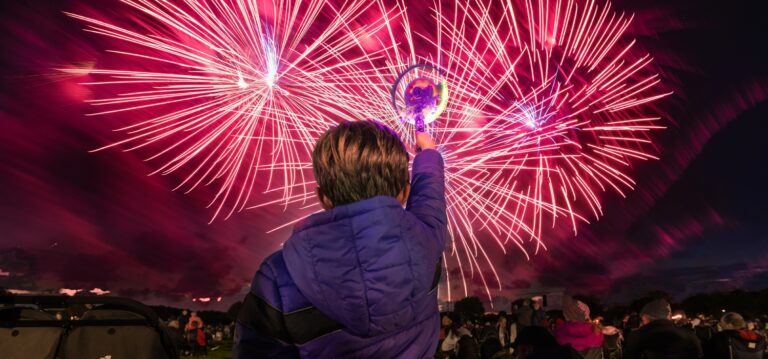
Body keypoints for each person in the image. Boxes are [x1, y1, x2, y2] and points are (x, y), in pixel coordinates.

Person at [234, 120, 447, 358]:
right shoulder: (427, 243)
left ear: (322, 198)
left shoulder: (278, 275)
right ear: (405, 192)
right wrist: (428, 154)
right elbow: (430, 199)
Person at [623, 299, 703, 359]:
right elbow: (698, 354)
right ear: (667, 316)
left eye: (642, 319)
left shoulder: (637, 336)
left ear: (645, 317)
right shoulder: (689, 334)